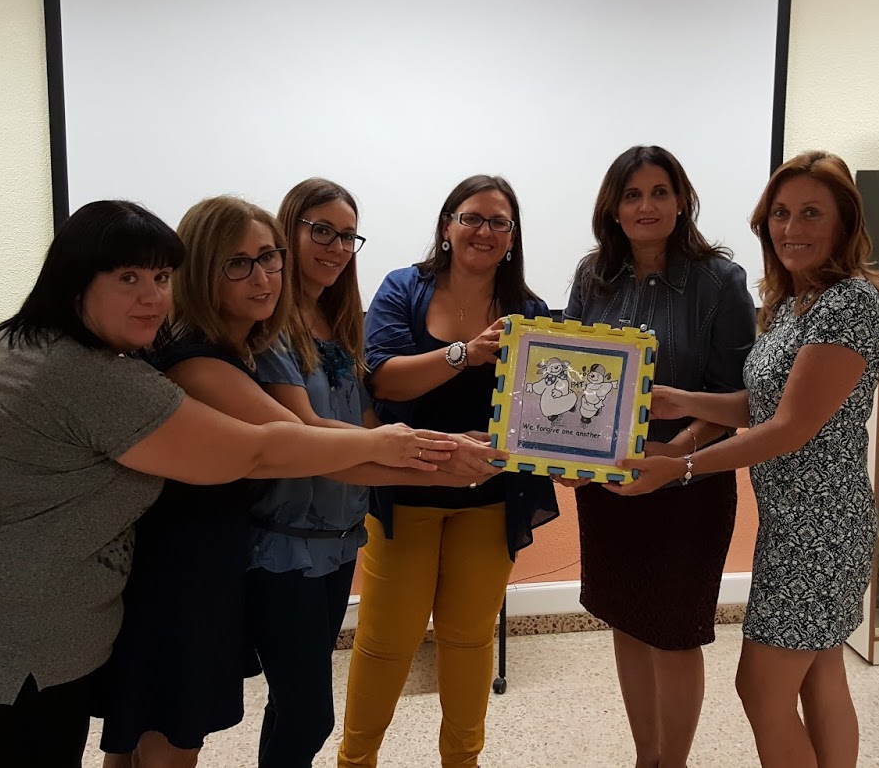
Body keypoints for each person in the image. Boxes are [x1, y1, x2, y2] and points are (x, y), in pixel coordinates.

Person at [0, 200, 459, 768]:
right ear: (74, 282)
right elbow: (259, 450)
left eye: (160, 277)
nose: (152, 296)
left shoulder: (41, 343)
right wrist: (394, 446)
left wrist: (420, 454)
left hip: (7, 626)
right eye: (128, 278)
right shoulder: (99, 377)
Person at [98, 196, 501, 768]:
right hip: (187, 567)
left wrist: (436, 455)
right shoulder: (203, 360)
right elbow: (298, 444)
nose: (262, 277)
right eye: (239, 263)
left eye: (268, 259)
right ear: (203, 269)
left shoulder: (248, 344)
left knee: (163, 733)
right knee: (177, 735)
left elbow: (341, 438)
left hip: (249, 549)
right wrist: (433, 455)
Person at [624, 151, 879, 768]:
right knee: (821, 674)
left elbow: (789, 428)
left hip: (820, 530)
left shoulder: (848, 305)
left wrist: (681, 467)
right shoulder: (797, 302)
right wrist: (682, 399)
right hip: (793, 523)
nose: (791, 228)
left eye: (811, 213)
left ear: (845, 222)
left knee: (761, 689)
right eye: (780, 213)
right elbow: (769, 401)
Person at [339, 175, 558, 768]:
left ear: (512, 237)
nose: (485, 231)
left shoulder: (530, 312)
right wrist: (467, 353)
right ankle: (355, 761)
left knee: (469, 640)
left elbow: (542, 413)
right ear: (446, 226)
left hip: (489, 499)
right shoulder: (402, 287)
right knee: (385, 643)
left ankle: (464, 762)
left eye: (499, 222)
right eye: (472, 218)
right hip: (406, 491)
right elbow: (384, 381)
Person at [561, 145, 755, 768]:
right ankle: (646, 756)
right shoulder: (592, 276)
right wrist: (566, 453)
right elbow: (568, 377)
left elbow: (738, 398)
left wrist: (675, 453)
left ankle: (674, 762)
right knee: (627, 620)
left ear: (681, 201)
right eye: (632, 195)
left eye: (659, 192)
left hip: (688, 486)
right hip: (611, 487)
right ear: (613, 208)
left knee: (673, 635)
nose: (646, 206)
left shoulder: (720, 282)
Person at [247, 179, 389, 767]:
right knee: (311, 715)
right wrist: (416, 452)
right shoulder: (268, 325)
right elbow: (305, 429)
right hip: (283, 547)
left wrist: (441, 451)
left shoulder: (342, 321)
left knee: (290, 706)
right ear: (289, 231)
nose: (336, 248)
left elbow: (366, 419)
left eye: (348, 237)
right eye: (322, 231)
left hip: (340, 538)